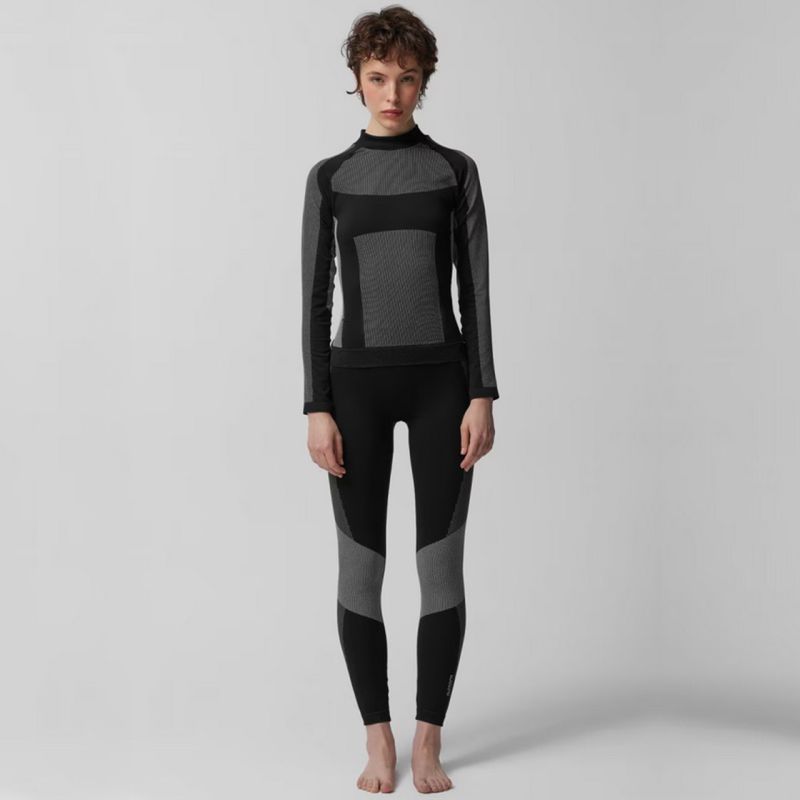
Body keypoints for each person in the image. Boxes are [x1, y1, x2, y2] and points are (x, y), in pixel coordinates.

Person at [300, 6, 499, 794]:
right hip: (354, 390)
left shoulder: (454, 171)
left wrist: (482, 392)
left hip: (442, 387)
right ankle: (378, 738)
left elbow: (475, 291)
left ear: (425, 81)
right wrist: (316, 404)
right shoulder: (330, 179)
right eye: (378, 77)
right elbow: (315, 299)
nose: (392, 93)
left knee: (439, 568)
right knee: (360, 570)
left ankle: (428, 741)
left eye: (407, 78)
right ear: (356, 79)